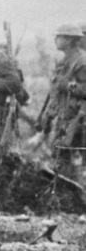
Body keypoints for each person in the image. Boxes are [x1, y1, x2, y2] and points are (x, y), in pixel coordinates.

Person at [42, 23, 86, 180]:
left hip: (77, 122)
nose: (55, 39)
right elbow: (55, 93)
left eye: (59, 36)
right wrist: (48, 114)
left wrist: (67, 85)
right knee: (60, 161)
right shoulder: (64, 62)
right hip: (64, 119)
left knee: (74, 165)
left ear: (70, 39)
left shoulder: (81, 61)